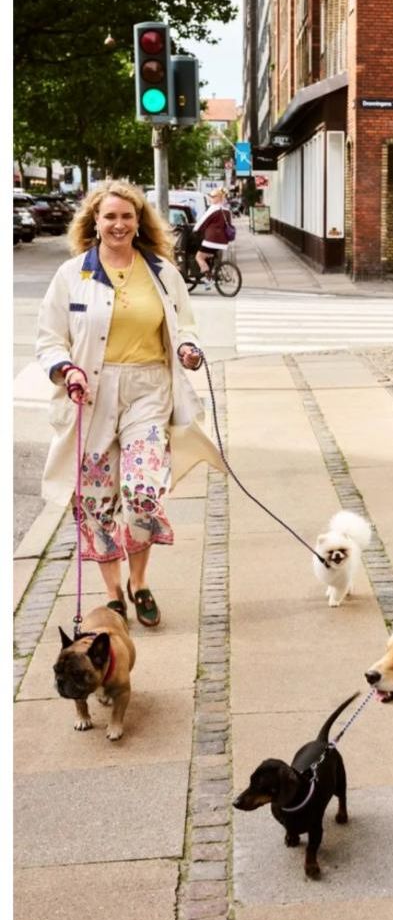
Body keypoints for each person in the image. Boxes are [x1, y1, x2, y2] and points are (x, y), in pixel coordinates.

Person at [36, 180, 223, 628]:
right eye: (110, 216)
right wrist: (67, 370)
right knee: (97, 503)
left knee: (142, 494)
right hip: (93, 396)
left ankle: (140, 584)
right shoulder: (72, 275)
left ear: (139, 221)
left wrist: (188, 349)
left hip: (148, 391)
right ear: (95, 223)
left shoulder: (161, 272)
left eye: (127, 216)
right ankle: (113, 592)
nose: (118, 224)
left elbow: (186, 327)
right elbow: (48, 339)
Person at [195, 188, 233, 277]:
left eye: (212, 196)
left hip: (211, 240)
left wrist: (195, 230)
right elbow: (229, 224)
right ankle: (212, 269)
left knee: (199, 257)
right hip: (223, 241)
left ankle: (208, 278)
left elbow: (202, 222)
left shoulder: (213, 209)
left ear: (218, 198)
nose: (210, 198)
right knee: (208, 254)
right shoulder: (227, 210)